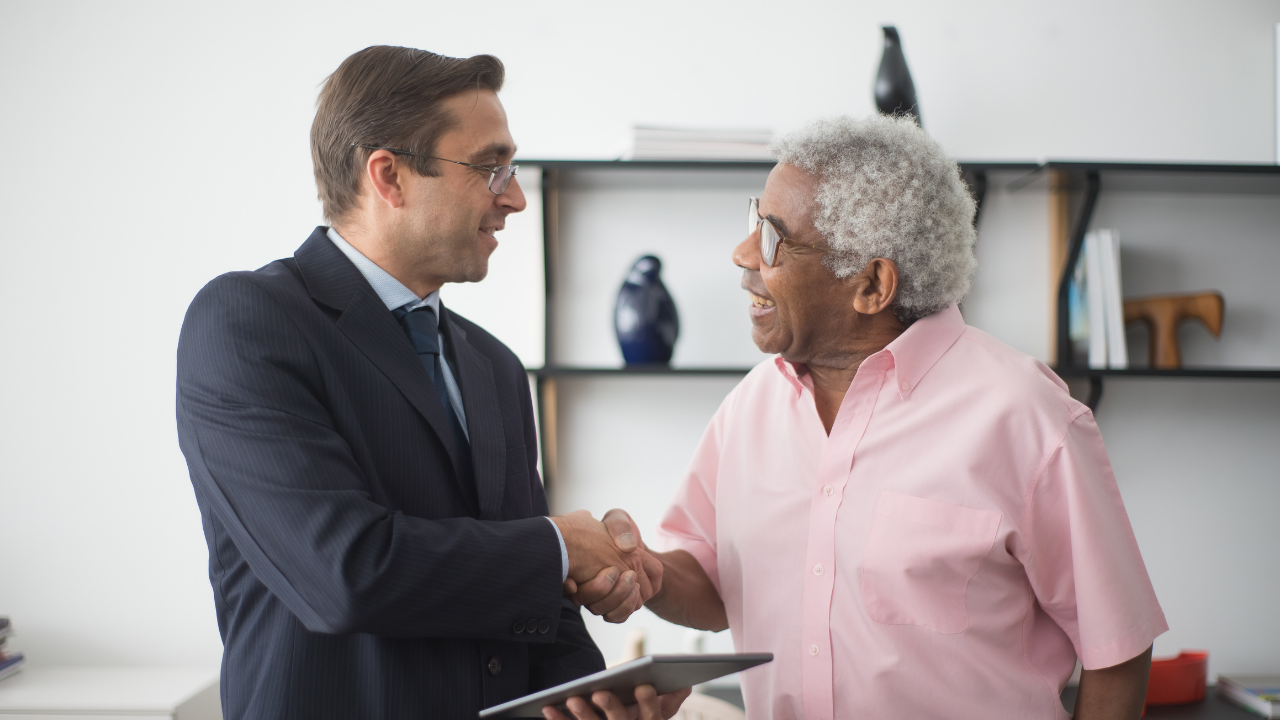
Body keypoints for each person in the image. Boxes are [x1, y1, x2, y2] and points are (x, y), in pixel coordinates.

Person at [588, 115, 1168, 720]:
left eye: (772, 239)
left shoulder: (1028, 416)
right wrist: (647, 573)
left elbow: (1118, 650)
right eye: (753, 222)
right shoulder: (749, 408)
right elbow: (712, 585)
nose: (741, 255)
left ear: (871, 284)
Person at [175, 46, 683, 720]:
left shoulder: (495, 366)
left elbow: (535, 604)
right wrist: (560, 545)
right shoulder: (247, 323)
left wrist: (597, 693)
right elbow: (345, 571)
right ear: (389, 176)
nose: (516, 197)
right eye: (490, 167)